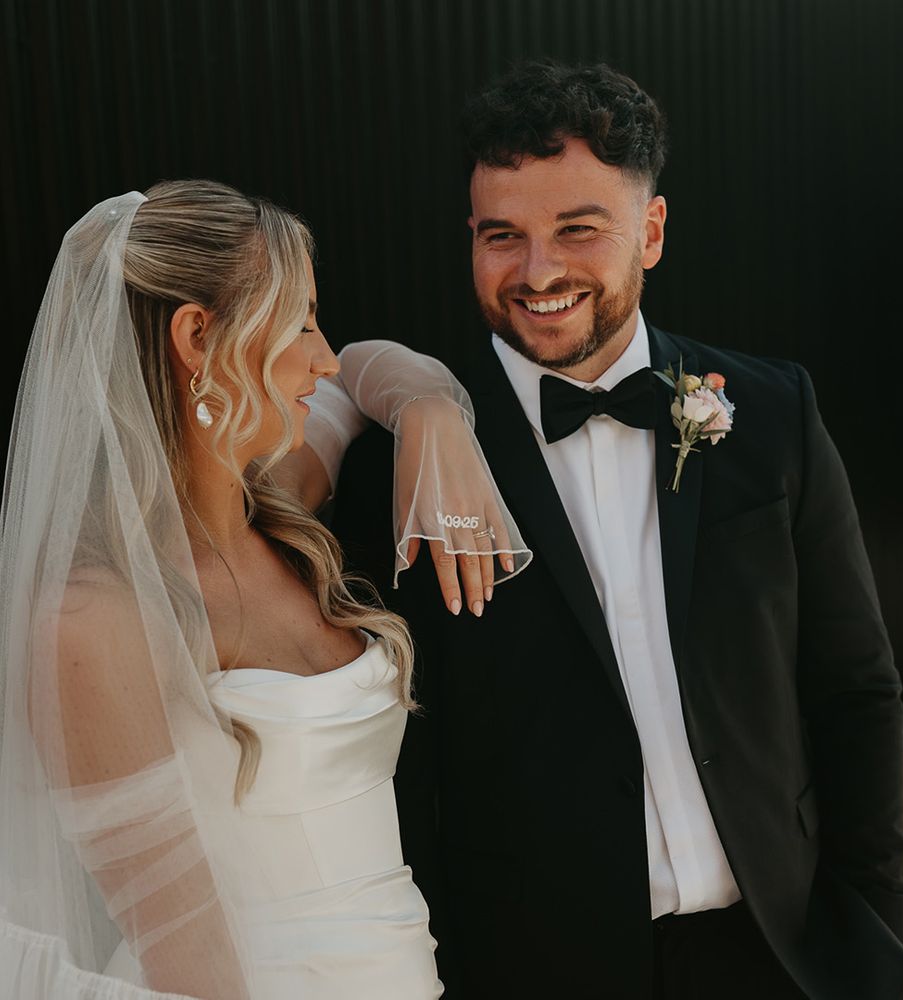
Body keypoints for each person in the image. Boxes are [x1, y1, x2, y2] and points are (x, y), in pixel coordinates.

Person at [324, 62, 903, 1000]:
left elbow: (855, 687)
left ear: (652, 231)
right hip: (535, 968)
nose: (538, 272)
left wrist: (874, 926)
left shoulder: (772, 411)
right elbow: (395, 769)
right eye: (501, 236)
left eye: (578, 229)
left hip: (782, 950)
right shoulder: (397, 463)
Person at [0, 180, 528, 999]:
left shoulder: (279, 505)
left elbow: (362, 370)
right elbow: (184, 956)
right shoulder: (93, 617)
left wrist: (432, 413)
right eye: (302, 319)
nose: (322, 352)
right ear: (197, 335)